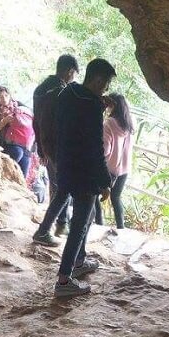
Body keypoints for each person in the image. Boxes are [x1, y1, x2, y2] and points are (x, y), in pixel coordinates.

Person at [53, 58, 117, 299]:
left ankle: (79, 262)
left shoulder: (68, 93)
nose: (106, 88)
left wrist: (98, 104)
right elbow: (94, 148)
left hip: (66, 165)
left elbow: (77, 116)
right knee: (80, 223)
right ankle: (64, 279)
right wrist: (105, 181)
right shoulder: (90, 106)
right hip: (85, 173)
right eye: (106, 83)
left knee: (86, 217)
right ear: (98, 80)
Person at [32, 55, 80, 246]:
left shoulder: (41, 89)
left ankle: (61, 223)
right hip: (59, 147)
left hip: (47, 145)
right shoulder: (60, 92)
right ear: (70, 71)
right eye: (74, 74)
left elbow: (36, 121)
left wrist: (41, 147)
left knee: (57, 186)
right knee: (63, 188)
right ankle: (46, 229)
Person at [94, 93, 133, 230]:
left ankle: (99, 224)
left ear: (113, 105)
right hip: (124, 169)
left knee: (93, 195)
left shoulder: (109, 123)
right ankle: (120, 228)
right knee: (116, 198)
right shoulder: (128, 124)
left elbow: (105, 149)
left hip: (109, 168)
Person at [0, 87, 34, 178]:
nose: (4, 99)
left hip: (27, 147)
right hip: (10, 146)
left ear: (10, 96)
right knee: (7, 176)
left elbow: (34, 123)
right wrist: (4, 122)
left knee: (22, 178)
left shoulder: (19, 106)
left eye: (6, 95)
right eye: (0, 97)